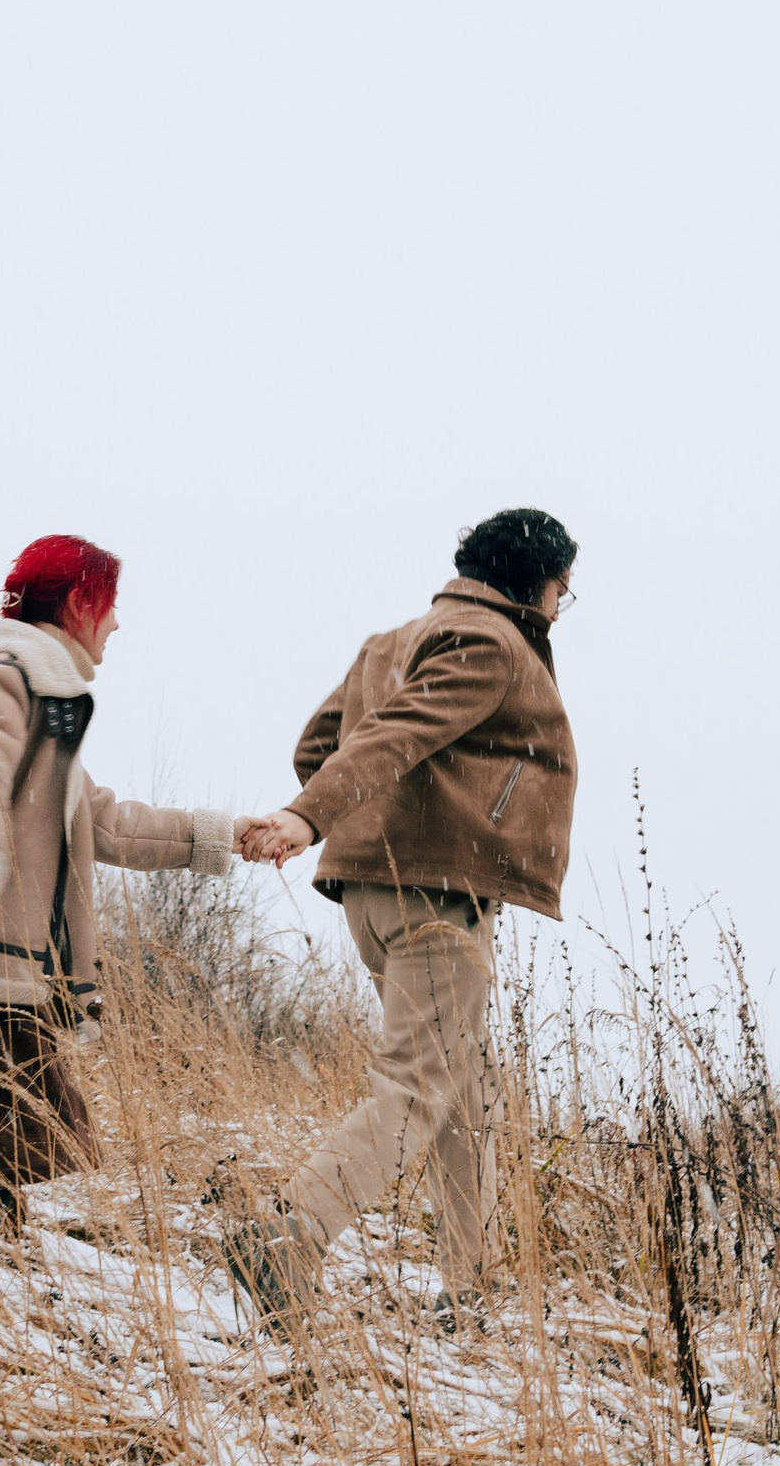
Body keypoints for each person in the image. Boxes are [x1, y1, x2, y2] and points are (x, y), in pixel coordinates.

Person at [233, 506, 578, 1324]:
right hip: (434, 897)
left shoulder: (391, 641)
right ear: (538, 580)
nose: (565, 607)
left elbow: (323, 741)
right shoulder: (493, 643)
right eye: (566, 589)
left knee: (467, 1094)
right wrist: (310, 818)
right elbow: (394, 735)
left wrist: (355, 820)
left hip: (376, 895)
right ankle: (290, 1235)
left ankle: (474, 1283)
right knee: (419, 1091)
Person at [0, 534, 238, 1251]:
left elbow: (111, 825)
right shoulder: (9, 678)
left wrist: (219, 835)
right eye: (112, 606)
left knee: (5, 1133)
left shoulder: (53, 711)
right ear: (79, 603)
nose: (117, 625)